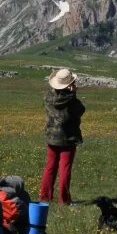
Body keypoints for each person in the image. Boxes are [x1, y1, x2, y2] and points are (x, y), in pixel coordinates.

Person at [39, 68, 85, 204]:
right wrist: (73, 95)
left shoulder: (48, 96)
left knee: (50, 167)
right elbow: (80, 110)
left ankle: (45, 197)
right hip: (67, 138)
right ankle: (64, 200)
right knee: (65, 169)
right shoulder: (71, 101)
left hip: (52, 136)